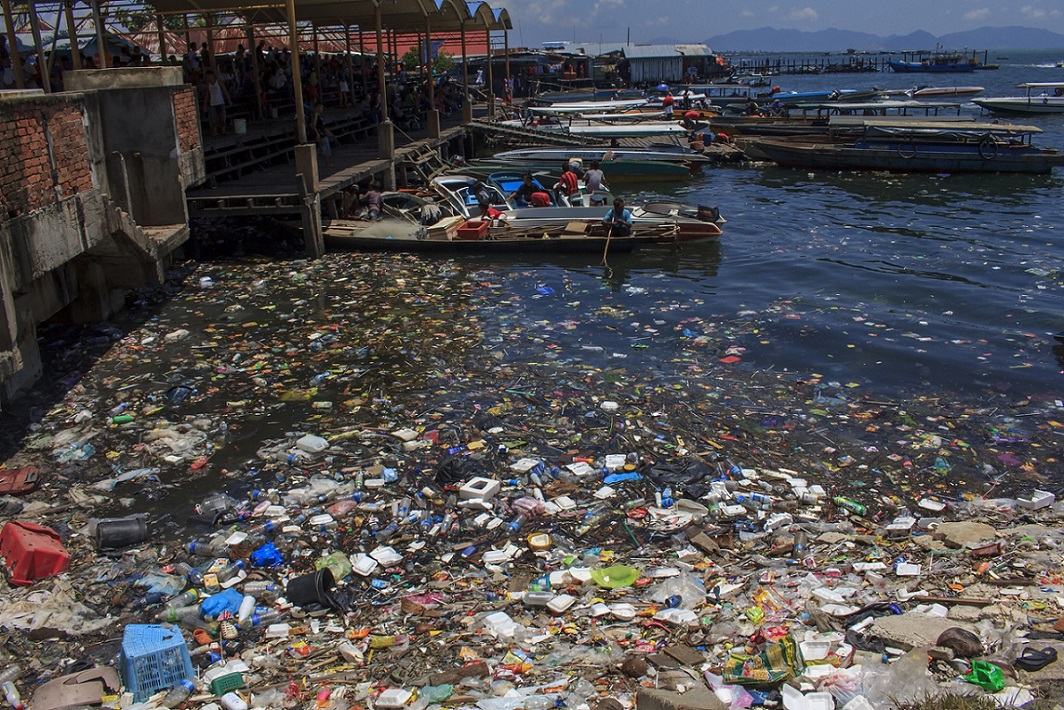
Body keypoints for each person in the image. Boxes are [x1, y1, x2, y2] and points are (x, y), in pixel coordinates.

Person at [203, 69, 230, 136]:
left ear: (213, 76)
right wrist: (205, 105)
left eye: (210, 76)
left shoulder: (219, 82)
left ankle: (223, 131)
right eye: (208, 77)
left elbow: (225, 90)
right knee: (214, 118)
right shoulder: (208, 85)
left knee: (222, 117)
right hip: (213, 103)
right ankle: (215, 132)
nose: (209, 78)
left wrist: (229, 99)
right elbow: (207, 95)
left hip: (220, 102)